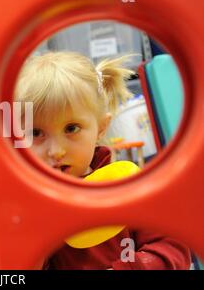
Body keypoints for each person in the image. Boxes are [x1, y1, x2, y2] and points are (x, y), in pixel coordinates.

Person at [14, 51, 191, 269]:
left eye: (71, 128)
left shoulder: (126, 186)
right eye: (36, 132)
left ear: (101, 128)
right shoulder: (24, 203)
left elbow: (173, 248)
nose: (56, 150)